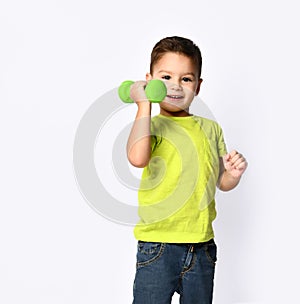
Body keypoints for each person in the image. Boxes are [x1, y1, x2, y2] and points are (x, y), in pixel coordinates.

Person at [126, 36, 247, 304]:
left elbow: (220, 181)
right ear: (151, 80)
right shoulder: (150, 126)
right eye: (166, 77)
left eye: (186, 79)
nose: (175, 86)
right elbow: (137, 157)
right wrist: (143, 104)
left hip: (201, 246)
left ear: (198, 86)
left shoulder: (211, 129)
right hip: (158, 246)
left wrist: (233, 175)